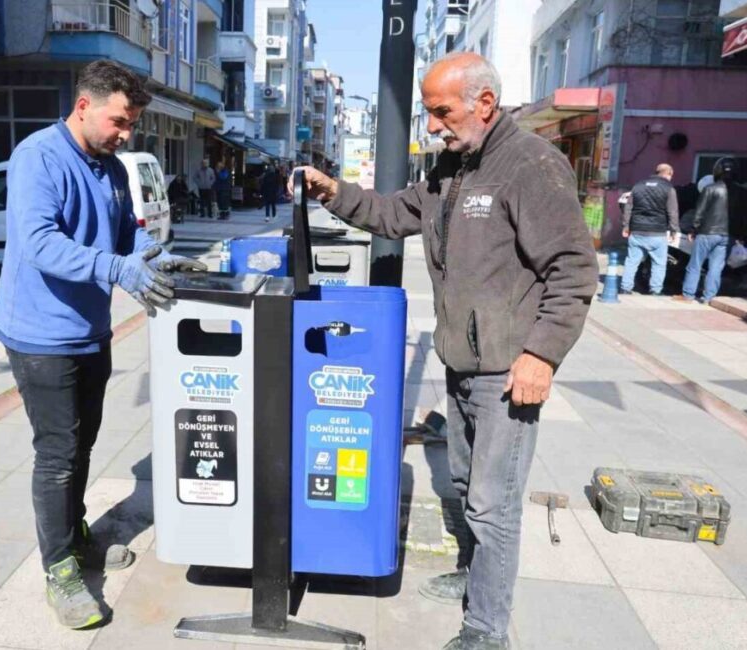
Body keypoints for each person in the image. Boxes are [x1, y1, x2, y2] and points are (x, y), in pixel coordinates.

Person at [291, 52, 597, 650]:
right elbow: (391, 214)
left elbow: (573, 269)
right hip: (462, 360)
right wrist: (333, 192)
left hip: (508, 368)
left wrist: (542, 355)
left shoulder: (531, 165)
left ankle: (487, 629)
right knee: (463, 480)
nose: (432, 125)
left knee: (492, 503)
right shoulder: (451, 169)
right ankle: (475, 574)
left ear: (484, 103)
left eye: (441, 111)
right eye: (429, 113)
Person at [0, 60, 206, 630]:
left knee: (82, 444)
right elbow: (39, 243)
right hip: (40, 336)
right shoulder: (38, 157)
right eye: (119, 121)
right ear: (83, 105)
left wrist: (153, 257)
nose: (126, 134)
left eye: (132, 123)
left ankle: (74, 533)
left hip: (89, 331)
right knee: (57, 454)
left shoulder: (110, 166)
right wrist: (119, 270)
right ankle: (59, 568)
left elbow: (125, 233)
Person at [675, 157, 747, 304]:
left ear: (717, 171)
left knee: (695, 264)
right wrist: (742, 235)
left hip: (706, 232)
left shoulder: (710, 188)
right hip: (728, 235)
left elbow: (700, 211)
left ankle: (688, 295)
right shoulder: (744, 192)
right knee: (716, 267)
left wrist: (693, 229)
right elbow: (746, 216)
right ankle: (708, 297)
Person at [620, 163, 679, 296]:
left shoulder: (638, 185)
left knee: (632, 261)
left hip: (637, 230)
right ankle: (655, 290)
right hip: (657, 232)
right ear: (668, 174)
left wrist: (626, 226)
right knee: (659, 263)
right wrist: (674, 230)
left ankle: (625, 288)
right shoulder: (669, 188)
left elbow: (628, 207)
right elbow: (673, 211)